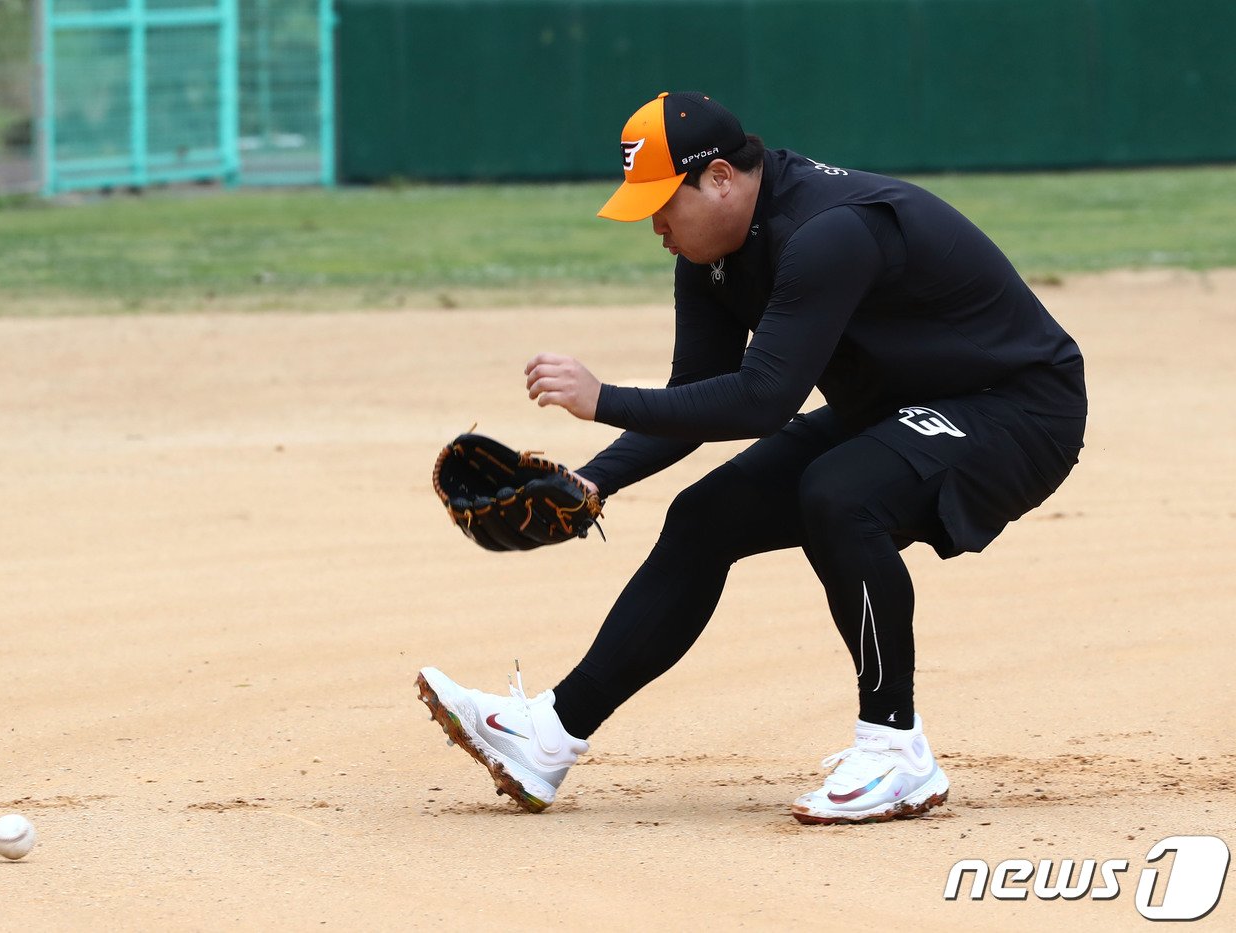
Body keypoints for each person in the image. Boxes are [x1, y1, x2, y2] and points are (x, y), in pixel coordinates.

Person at [416, 91, 1086, 824]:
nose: (655, 225)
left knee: (840, 493)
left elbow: (763, 401)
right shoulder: (707, 256)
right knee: (706, 515)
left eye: (663, 202)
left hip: (1017, 408)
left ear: (724, 179)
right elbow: (699, 400)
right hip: (900, 406)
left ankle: (896, 749)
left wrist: (601, 396)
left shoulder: (830, 231)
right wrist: (593, 479)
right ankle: (550, 735)